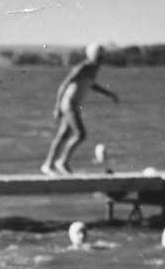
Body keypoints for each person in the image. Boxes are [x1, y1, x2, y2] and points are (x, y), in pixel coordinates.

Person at [40, 42, 119, 176]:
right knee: (80, 134)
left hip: (74, 105)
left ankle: (48, 165)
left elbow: (92, 86)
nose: (102, 59)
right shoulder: (83, 67)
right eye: (100, 56)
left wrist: (110, 94)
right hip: (69, 104)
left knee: (63, 135)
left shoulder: (94, 68)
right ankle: (61, 162)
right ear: (93, 55)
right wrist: (57, 107)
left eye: (102, 56)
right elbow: (64, 85)